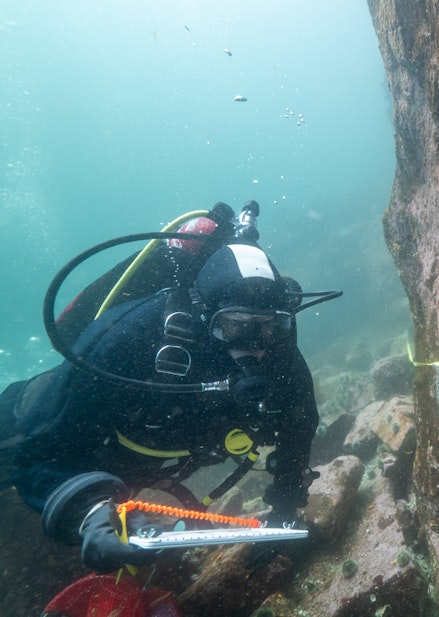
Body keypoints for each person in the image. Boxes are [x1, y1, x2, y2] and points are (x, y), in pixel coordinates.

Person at [0, 205, 322, 574]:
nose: (256, 346)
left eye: (268, 328)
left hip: (137, 463)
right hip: (27, 423)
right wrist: (90, 514)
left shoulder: (280, 355)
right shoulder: (129, 337)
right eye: (233, 326)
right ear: (204, 319)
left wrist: (284, 511)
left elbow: (299, 425)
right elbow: (40, 455)